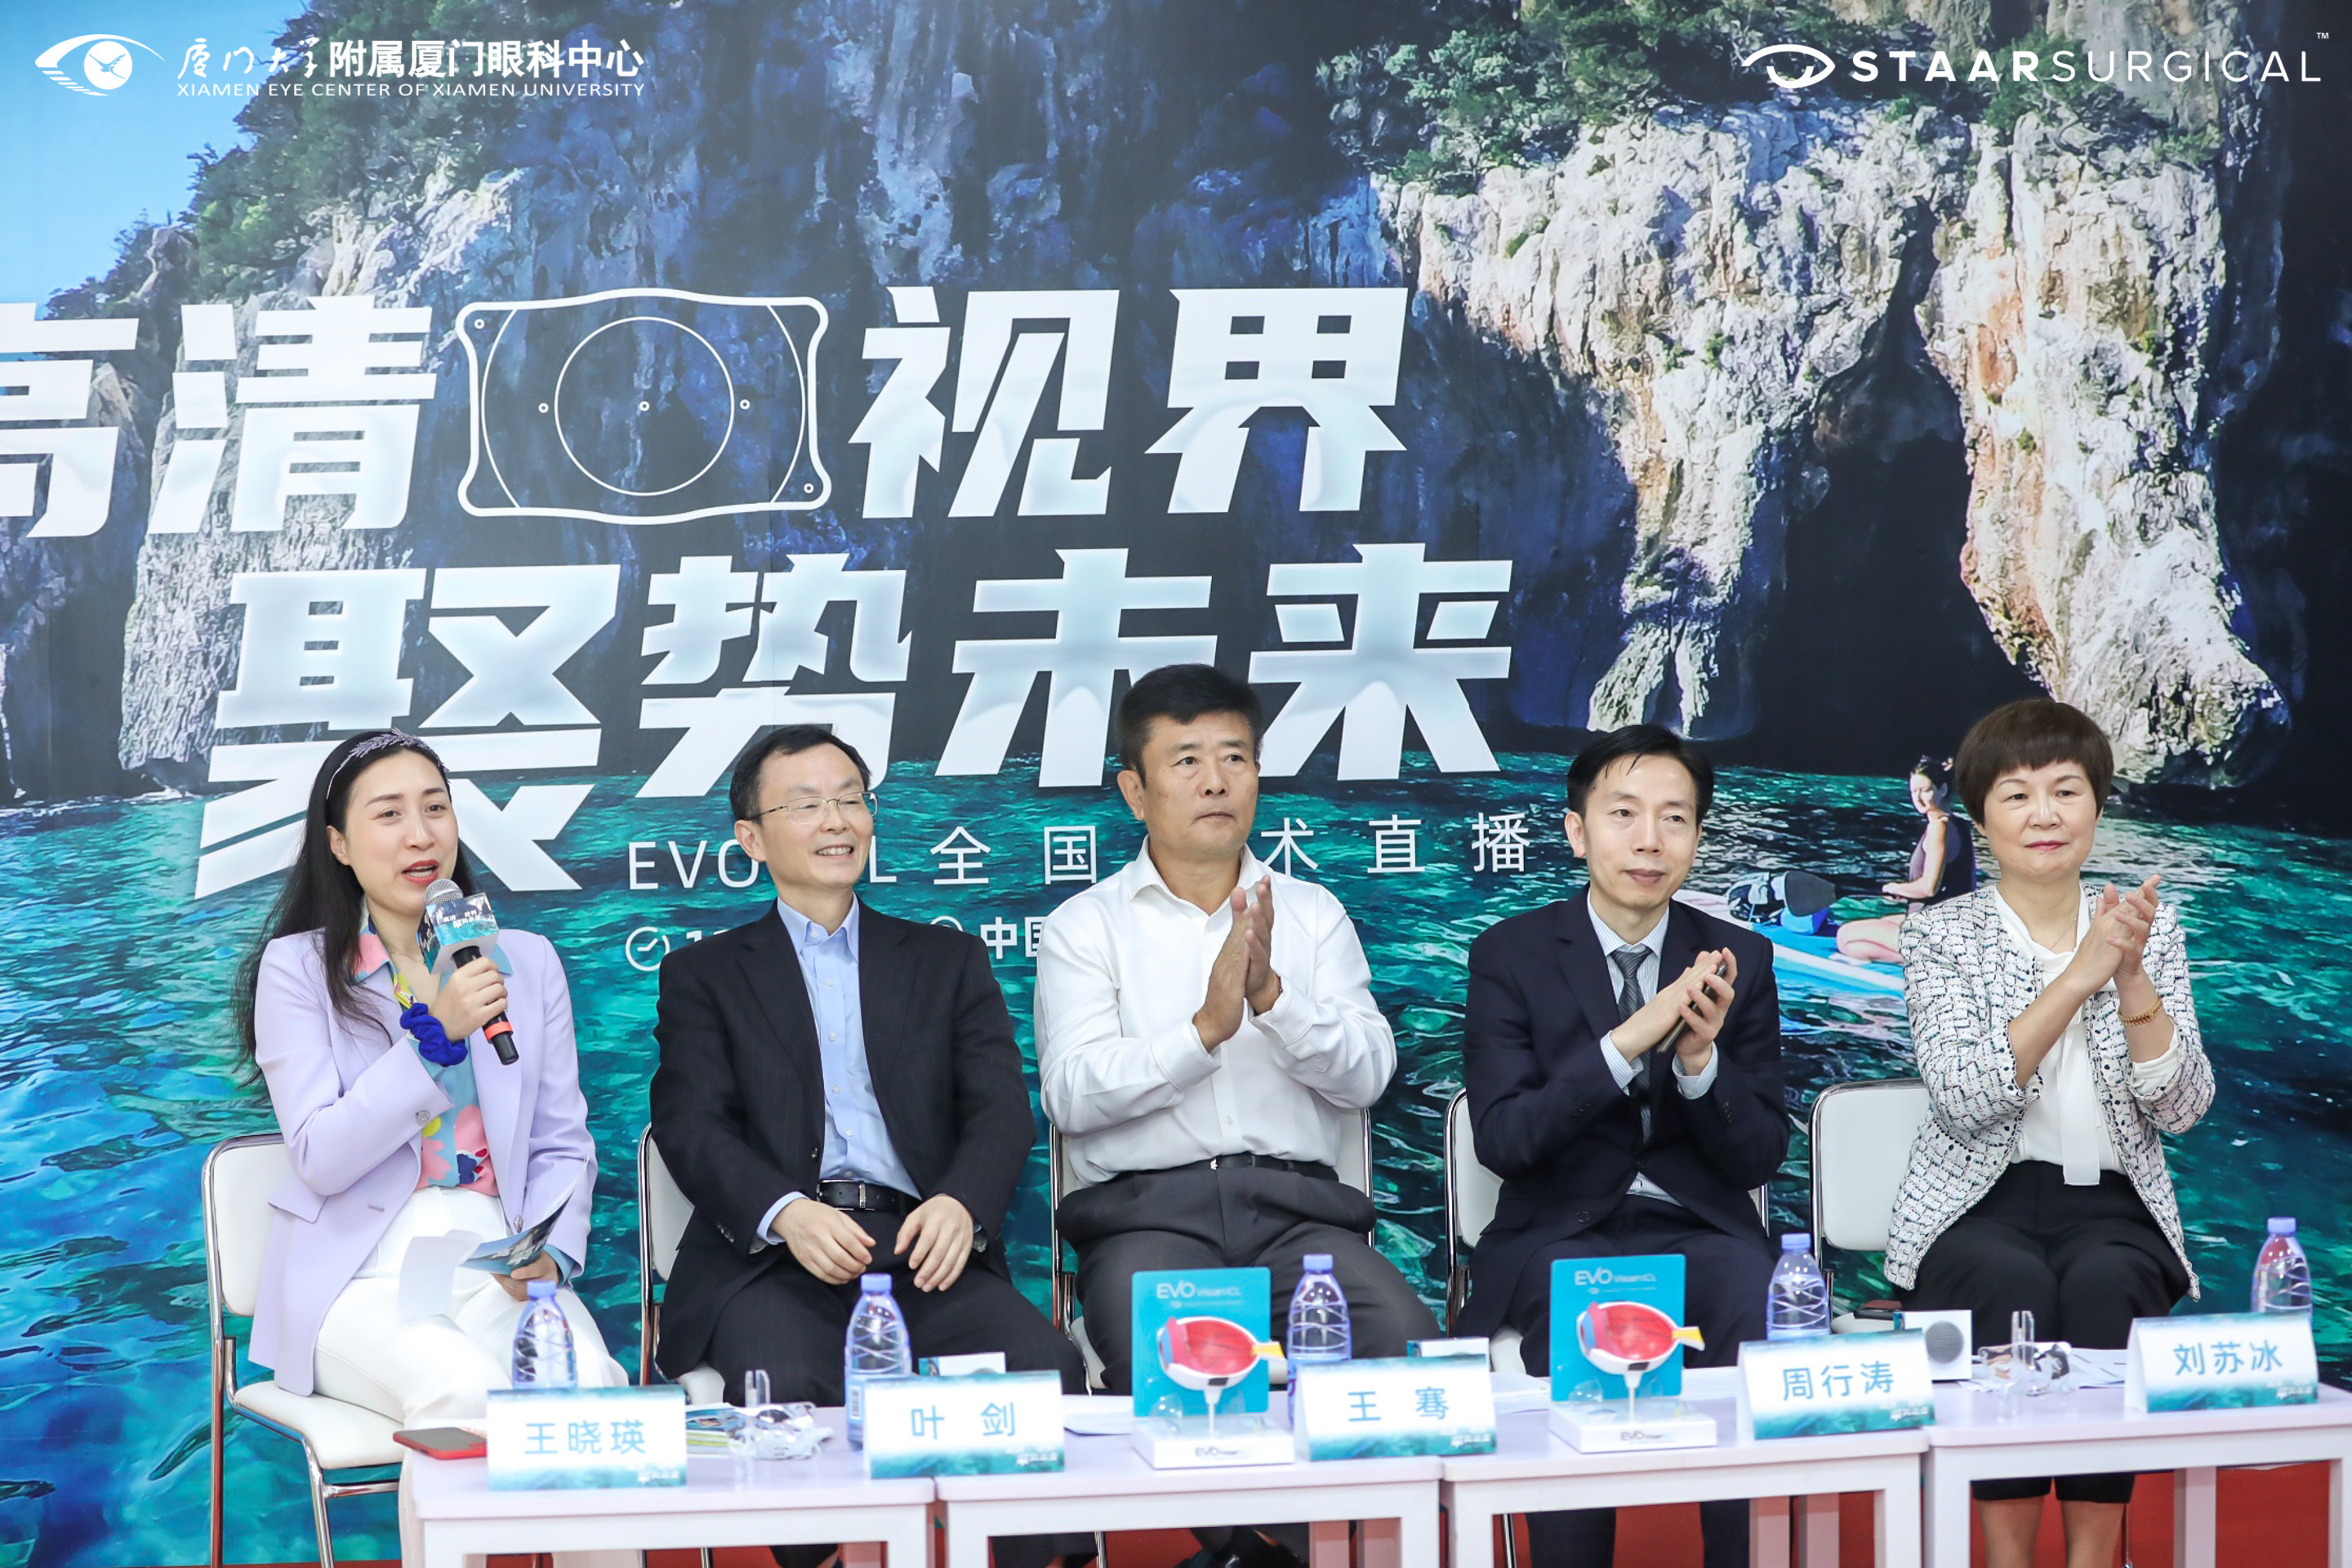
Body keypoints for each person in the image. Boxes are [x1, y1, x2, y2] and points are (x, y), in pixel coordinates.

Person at [650, 725, 1088, 1568]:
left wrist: (961, 1204)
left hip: (926, 1249)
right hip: (777, 1262)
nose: (836, 821)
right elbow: (690, 1124)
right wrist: (786, 1213)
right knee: (781, 1383)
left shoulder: (946, 959)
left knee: (1039, 1365)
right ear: (752, 839)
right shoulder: (705, 974)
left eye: (851, 799)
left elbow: (1001, 1111)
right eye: (806, 805)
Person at [1037, 663, 1440, 1568]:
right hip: (1148, 1220)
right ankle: (1274, 1548)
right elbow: (1071, 1093)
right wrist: (1204, 1032)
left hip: (1301, 1220)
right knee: (1176, 1371)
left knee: (1409, 1351)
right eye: (1186, 761)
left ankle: (1292, 1550)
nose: (1216, 781)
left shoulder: (1312, 914)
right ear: (1134, 791)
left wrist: (1275, 1003)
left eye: (1234, 757)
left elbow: (1369, 1074)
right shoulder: (1085, 927)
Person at [238, 729, 628, 1566]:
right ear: (339, 844)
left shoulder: (523, 963)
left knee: (592, 1396)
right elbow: (319, 1156)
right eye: (389, 815)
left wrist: (554, 1253)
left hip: (494, 1255)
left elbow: (562, 1140)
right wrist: (431, 1046)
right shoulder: (298, 970)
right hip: (357, 1273)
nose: (421, 835)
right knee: (462, 1395)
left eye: (436, 809)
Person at [1888, 699, 2212, 1568]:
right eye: (2017, 794)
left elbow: (2183, 1109)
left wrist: (2132, 974)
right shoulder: (1940, 936)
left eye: (2066, 791)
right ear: (1981, 815)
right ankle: (2006, 1559)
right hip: (1973, 1205)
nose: (2045, 815)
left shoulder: (2150, 930)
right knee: (2011, 1282)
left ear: (2096, 806)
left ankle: (2094, 1558)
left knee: (2108, 1282)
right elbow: (1965, 1101)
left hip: (2115, 1204)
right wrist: (2079, 975)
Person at [1460, 724, 1786, 1568]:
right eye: (1624, 814)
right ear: (1578, 832)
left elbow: (1758, 1159)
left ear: (1697, 837)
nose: (1650, 840)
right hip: (1561, 1230)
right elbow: (1505, 1140)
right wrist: (1630, 1039)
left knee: (1757, 1297)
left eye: (1674, 818)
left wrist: (1700, 1063)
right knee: (1587, 1309)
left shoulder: (1741, 958)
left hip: (1697, 1226)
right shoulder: (1510, 955)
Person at [1838, 755, 1977, 964]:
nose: (1918, 798)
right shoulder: (1961, 825)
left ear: (1942, 790)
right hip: (1956, 930)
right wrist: (1906, 892)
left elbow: (1928, 888)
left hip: (1935, 933)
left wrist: (1893, 887)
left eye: (1925, 790)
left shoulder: (1938, 828)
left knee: (1845, 937)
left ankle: (1929, 960)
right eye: (1914, 792)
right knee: (1884, 921)